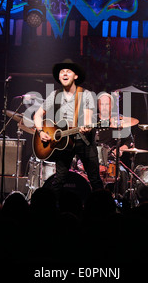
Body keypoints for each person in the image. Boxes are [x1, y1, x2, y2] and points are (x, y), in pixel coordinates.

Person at [33, 59, 103, 198]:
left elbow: (88, 120)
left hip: (84, 141)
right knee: (59, 181)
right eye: (62, 72)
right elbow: (37, 115)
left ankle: (102, 210)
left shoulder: (86, 94)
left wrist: (86, 128)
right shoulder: (54, 95)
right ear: (59, 77)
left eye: (68, 71)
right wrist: (41, 132)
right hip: (63, 143)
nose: (65, 74)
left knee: (95, 180)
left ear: (75, 76)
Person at [95, 92, 134, 198]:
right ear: (98, 105)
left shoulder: (119, 120)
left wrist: (120, 149)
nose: (104, 107)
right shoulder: (92, 120)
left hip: (111, 160)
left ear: (111, 106)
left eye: (106, 104)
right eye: (101, 104)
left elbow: (129, 142)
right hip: (92, 160)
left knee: (123, 173)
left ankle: (120, 200)